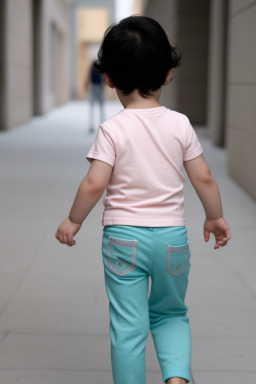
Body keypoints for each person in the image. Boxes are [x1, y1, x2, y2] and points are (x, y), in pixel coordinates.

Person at [55, 15, 231, 384]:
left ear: (111, 79)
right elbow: (203, 176)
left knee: (128, 323)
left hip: (123, 240)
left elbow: (93, 184)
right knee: (171, 314)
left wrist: (73, 220)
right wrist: (214, 217)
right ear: (167, 74)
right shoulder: (180, 125)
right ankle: (178, 378)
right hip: (172, 240)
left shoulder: (112, 129)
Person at [84, 62, 105, 133]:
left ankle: (94, 125)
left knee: (94, 108)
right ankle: (97, 124)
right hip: (96, 88)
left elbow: (88, 78)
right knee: (98, 107)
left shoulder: (93, 69)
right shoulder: (98, 69)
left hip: (96, 88)